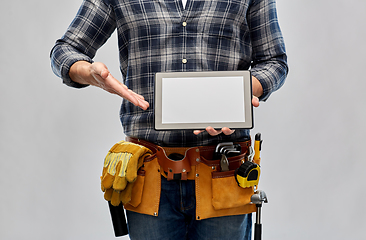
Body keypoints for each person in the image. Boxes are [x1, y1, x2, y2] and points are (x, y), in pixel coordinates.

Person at [50, 0, 288, 239]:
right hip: (148, 173)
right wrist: (90, 73)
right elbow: (65, 51)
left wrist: (241, 92)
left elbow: (275, 61)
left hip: (224, 170)